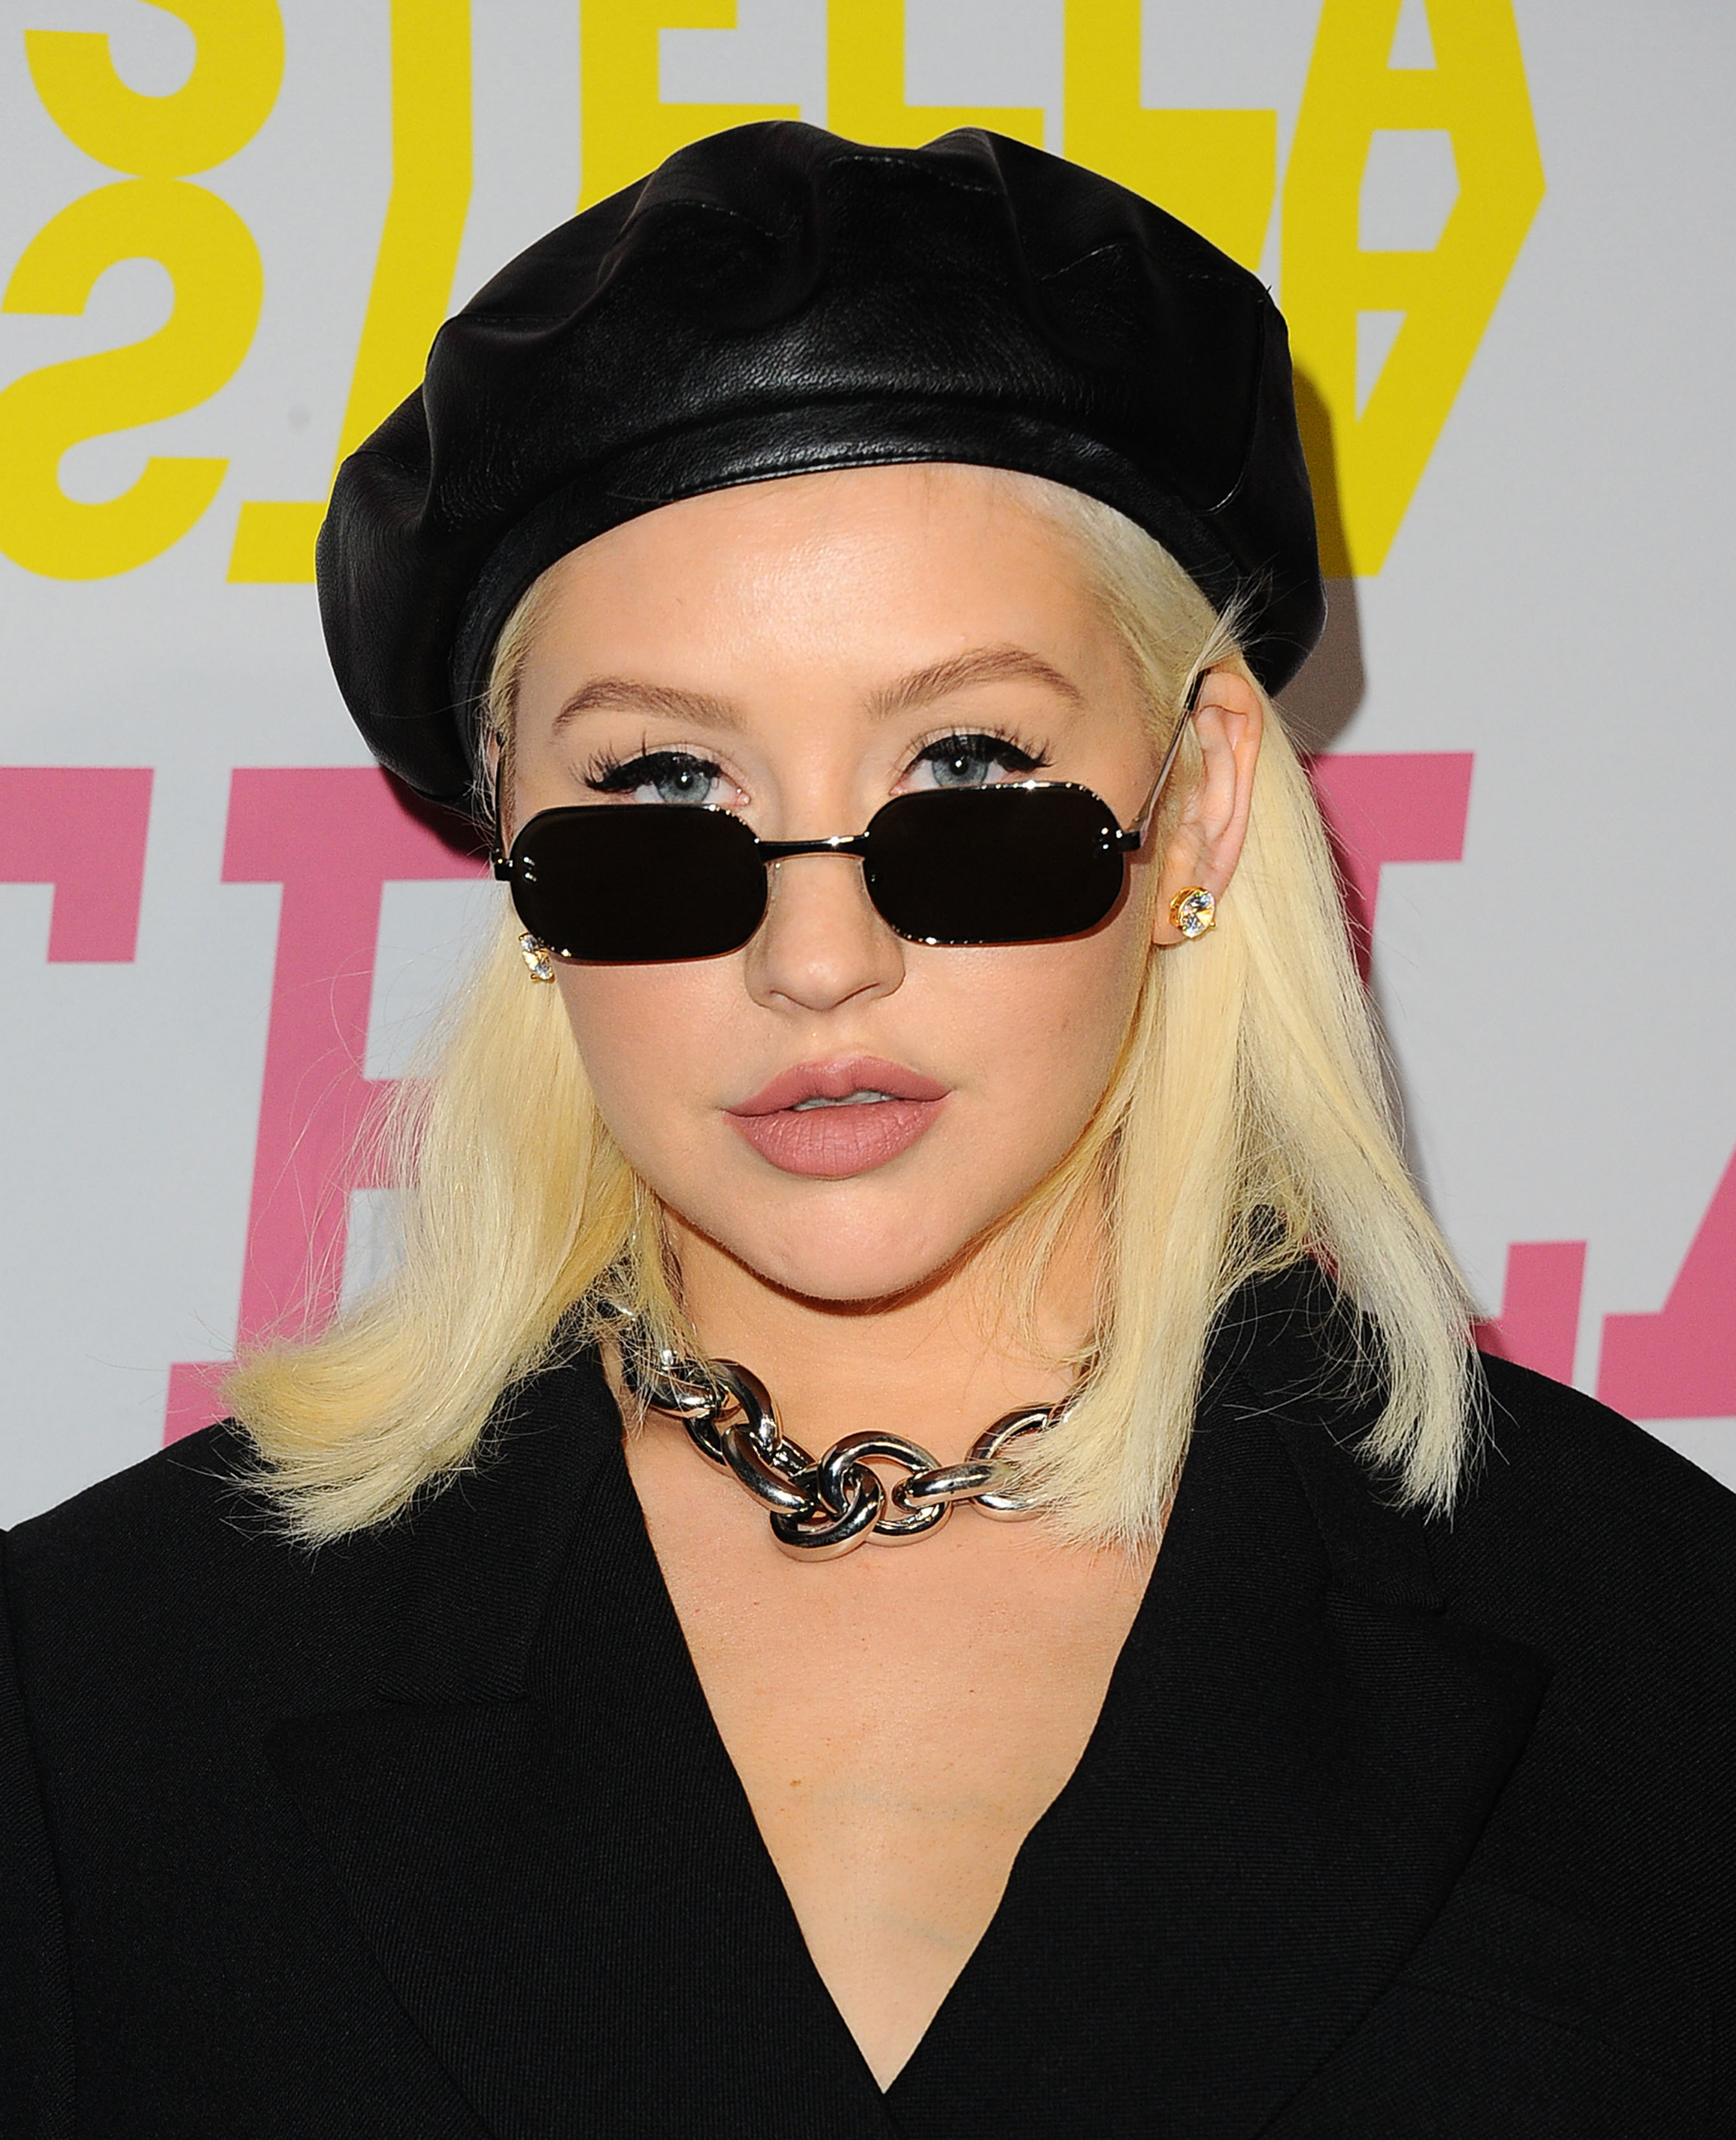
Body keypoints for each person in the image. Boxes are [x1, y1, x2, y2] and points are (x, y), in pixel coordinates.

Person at [3, 124, 1732, 2140]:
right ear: (523, 862)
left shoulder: (1669, 1661)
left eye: (968, 771)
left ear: (1196, 806)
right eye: (662, 792)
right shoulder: (95, 1697)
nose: (818, 957)